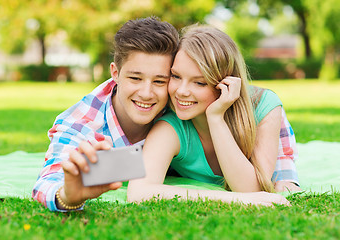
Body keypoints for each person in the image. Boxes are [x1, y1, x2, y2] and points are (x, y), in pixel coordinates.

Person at [127, 26, 297, 206]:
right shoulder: (171, 127)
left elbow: (252, 188)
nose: (181, 91)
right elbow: (139, 191)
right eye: (176, 76)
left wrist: (216, 118)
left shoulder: (264, 106)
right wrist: (234, 199)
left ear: (226, 83)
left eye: (200, 82)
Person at [32, 17, 180, 211]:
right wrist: (68, 196)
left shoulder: (179, 106)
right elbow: (50, 180)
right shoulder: (82, 124)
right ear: (115, 73)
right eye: (135, 78)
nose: (146, 93)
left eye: (160, 81)